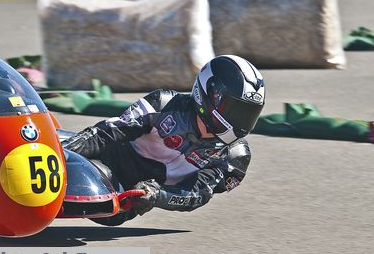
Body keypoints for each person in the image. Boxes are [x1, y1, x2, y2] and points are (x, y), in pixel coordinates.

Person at [63, 55, 265, 215]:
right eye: (235, 110)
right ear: (210, 92)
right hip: (104, 161)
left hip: (131, 199)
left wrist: (157, 195)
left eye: (248, 115)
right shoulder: (164, 104)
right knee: (61, 152)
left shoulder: (233, 155)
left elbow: (197, 194)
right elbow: (106, 133)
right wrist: (60, 153)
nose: (239, 122)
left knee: (95, 187)